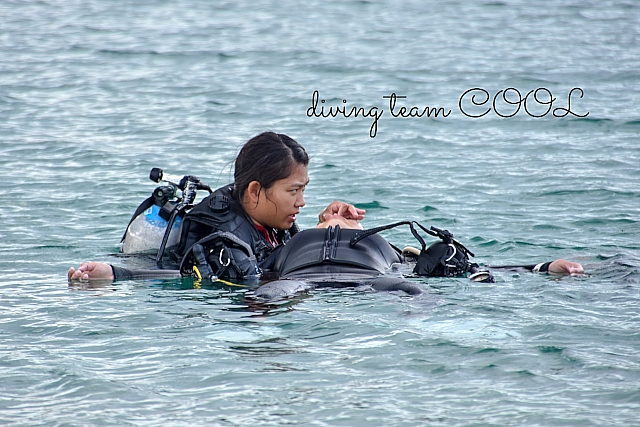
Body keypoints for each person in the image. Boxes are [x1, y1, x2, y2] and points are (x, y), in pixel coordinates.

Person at [68, 131, 583, 285]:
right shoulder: (218, 231)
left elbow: (283, 255)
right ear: (254, 193)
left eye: (305, 188)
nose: (303, 199)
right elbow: (168, 274)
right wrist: (111, 272)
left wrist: (320, 230)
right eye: (293, 191)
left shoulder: (269, 226)